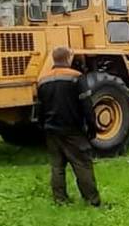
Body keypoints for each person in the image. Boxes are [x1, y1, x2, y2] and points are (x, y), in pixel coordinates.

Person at [36, 46, 101, 207]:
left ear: (54, 59)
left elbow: (39, 108)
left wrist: (43, 126)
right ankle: (92, 200)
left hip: (52, 130)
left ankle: (60, 200)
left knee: (57, 167)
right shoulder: (76, 77)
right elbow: (86, 106)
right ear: (68, 59)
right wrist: (92, 127)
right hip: (73, 130)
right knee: (82, 164)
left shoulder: (43, 81)